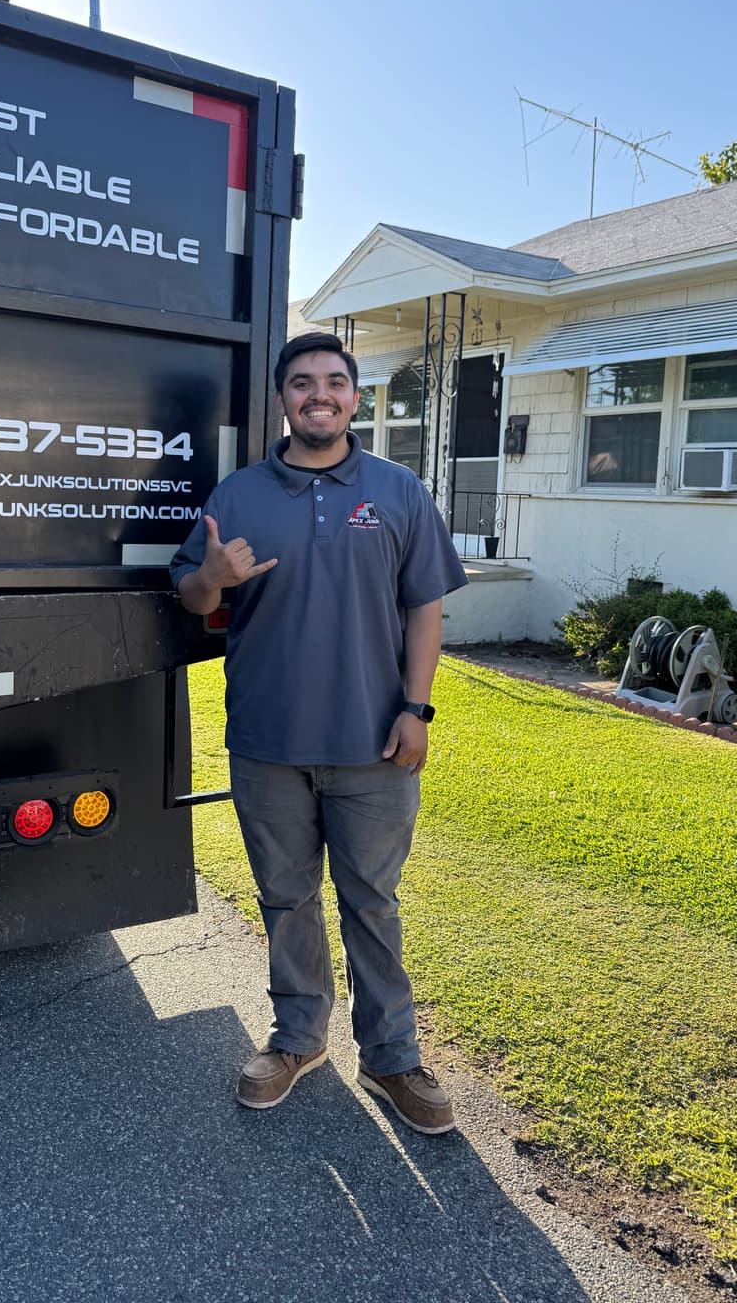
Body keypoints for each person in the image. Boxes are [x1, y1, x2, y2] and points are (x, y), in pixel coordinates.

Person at [169, 330, 468, 1134]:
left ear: (355, 398)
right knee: (286, 897)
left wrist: (417, 709)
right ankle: (298, 1039)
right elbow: (196, 602)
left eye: (335, 381)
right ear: (282, 399)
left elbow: (425, 606)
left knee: (372, 901)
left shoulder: (398, 491)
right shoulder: (236, 496)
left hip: (375, 744)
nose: (319, 394)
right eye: (302, 383)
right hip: (268, 742)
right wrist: (211, 578)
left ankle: (392, 1057)